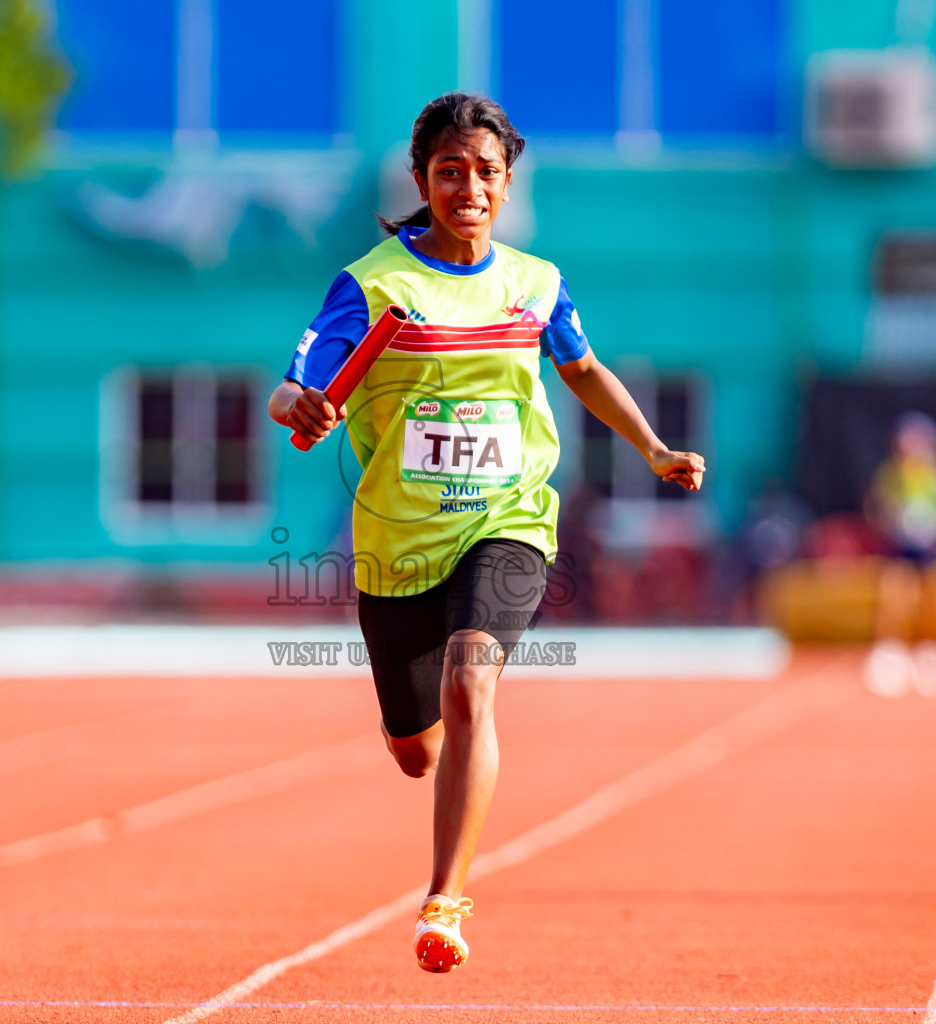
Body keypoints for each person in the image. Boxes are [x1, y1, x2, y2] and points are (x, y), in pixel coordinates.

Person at [268, 93, 704, 973]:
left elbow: (581, 366)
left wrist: (653, 447)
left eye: (486, 172)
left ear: (507, 184)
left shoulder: (537, 283)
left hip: (507, 520)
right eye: (450, 171)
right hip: (396, 545)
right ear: (424, 181)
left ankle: (444, 901)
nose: (468, 186)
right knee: (415, 752)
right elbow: (295, 388)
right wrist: (304, 408)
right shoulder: (374, 285)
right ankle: (418, 741)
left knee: (473, 685)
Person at [861, 412, 936, 698]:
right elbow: (875, 503)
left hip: (933, 547)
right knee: (895, 598)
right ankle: (890, 653)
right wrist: (888, 525)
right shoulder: (892, 473)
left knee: (933, 602)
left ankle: (930, 653)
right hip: (901, 545)